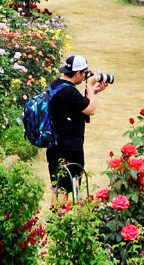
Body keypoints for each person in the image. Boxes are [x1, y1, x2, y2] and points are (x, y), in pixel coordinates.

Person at [47, 54, 108, 205]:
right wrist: (89, 86)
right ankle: (65, 220)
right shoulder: (69, 92)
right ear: (77, 73)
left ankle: (55, 220)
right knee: (69, 187)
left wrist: (94, 92)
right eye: (84, 73)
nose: (85, 76)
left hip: (55, 146)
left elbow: (79, 106)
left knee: (58, 186)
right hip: (69, 148)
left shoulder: (57, 85)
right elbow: (90, 110)